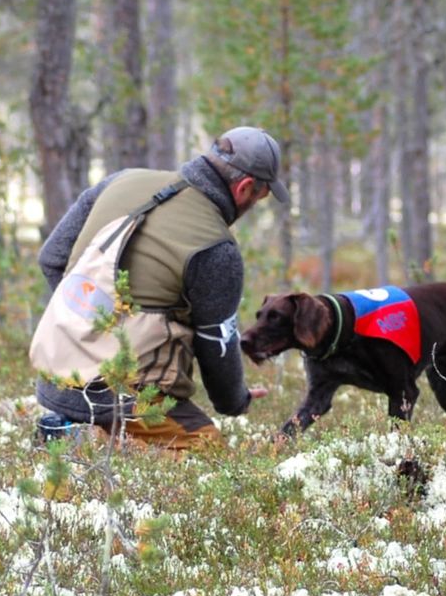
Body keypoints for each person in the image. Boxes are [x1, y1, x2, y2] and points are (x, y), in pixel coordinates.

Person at [31, 126, 289, 449]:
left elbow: (52, 259)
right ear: (245, 188)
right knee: (210, 457)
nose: (257, 202)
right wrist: (237, 401)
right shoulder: (216, 249)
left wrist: (91, 326)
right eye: (262, 195)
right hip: (128, 397)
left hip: (57, 376)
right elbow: (216, 352)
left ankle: (68, 432)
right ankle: (86, 439)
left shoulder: (121, 180)